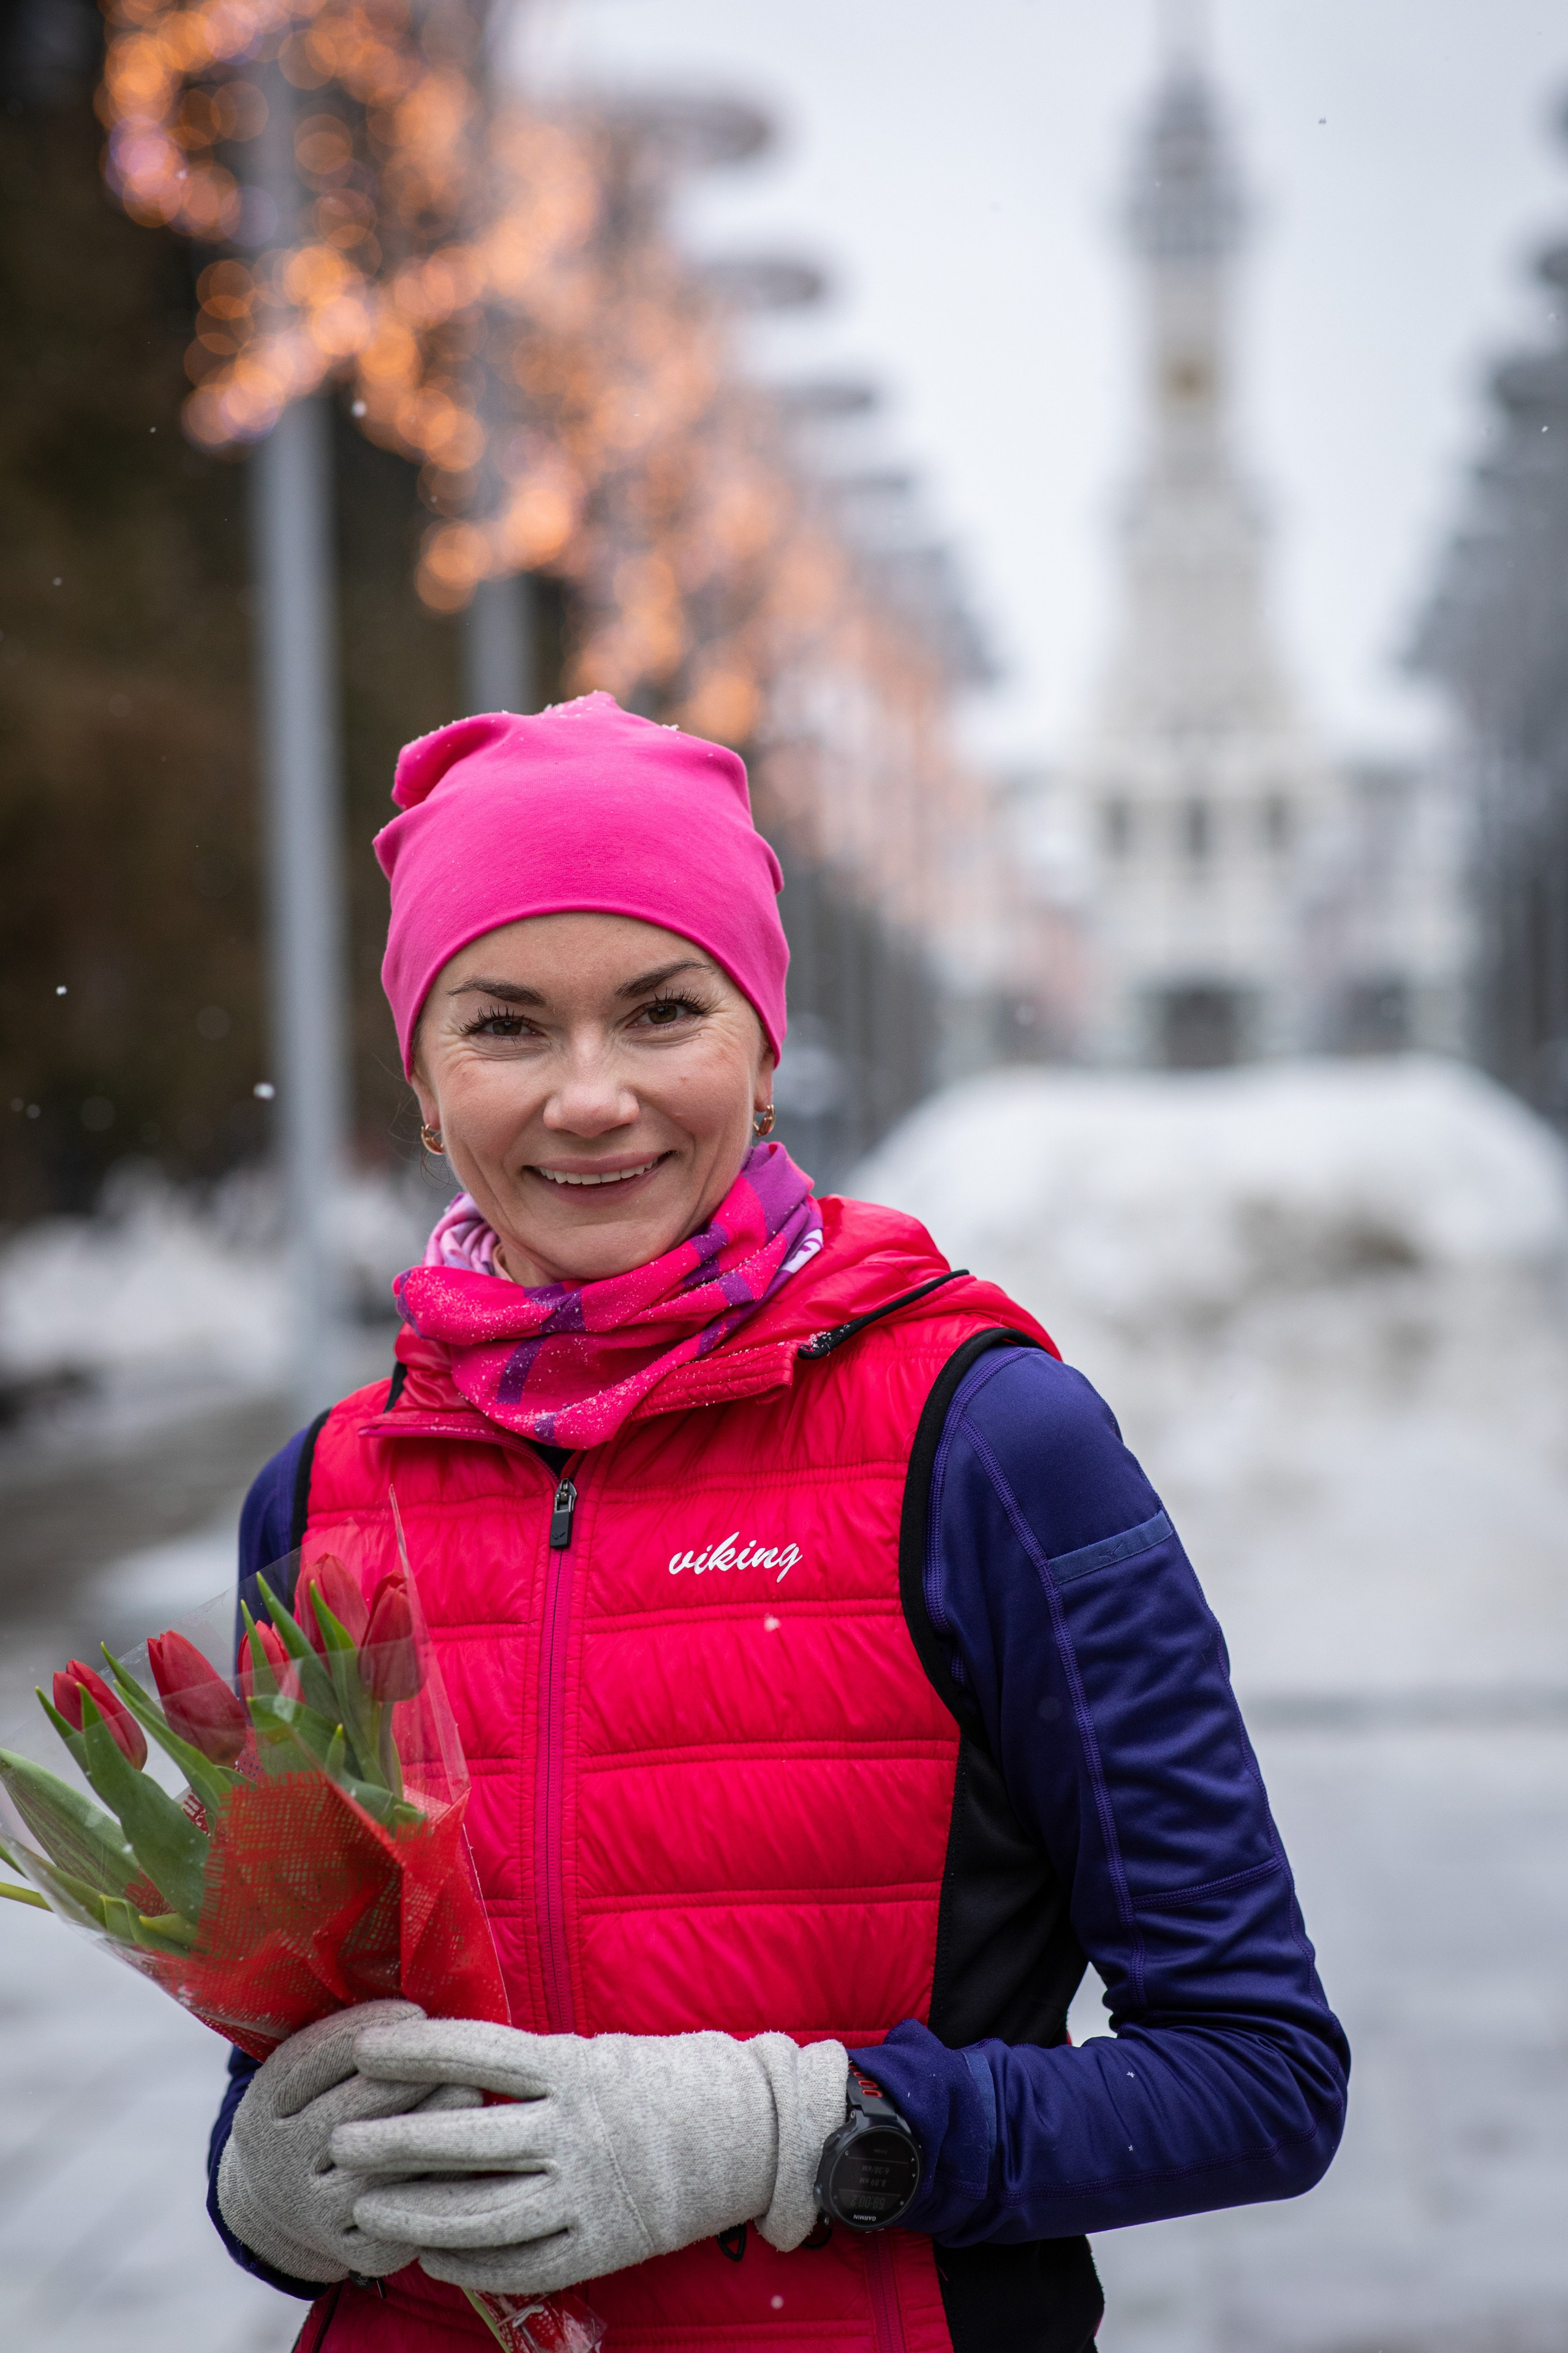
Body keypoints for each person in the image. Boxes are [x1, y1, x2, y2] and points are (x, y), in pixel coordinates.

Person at [208, 693, 1348, 2353]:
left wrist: (792, 2134)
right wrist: (267, 2183)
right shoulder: (318, 1495)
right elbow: (291, 2052)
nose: (590, 1097)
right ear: (424, 1074)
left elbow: (1260, 2074)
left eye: (662, 1010)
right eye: (506, 1024)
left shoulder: (989, 1445)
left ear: (759, 1036)